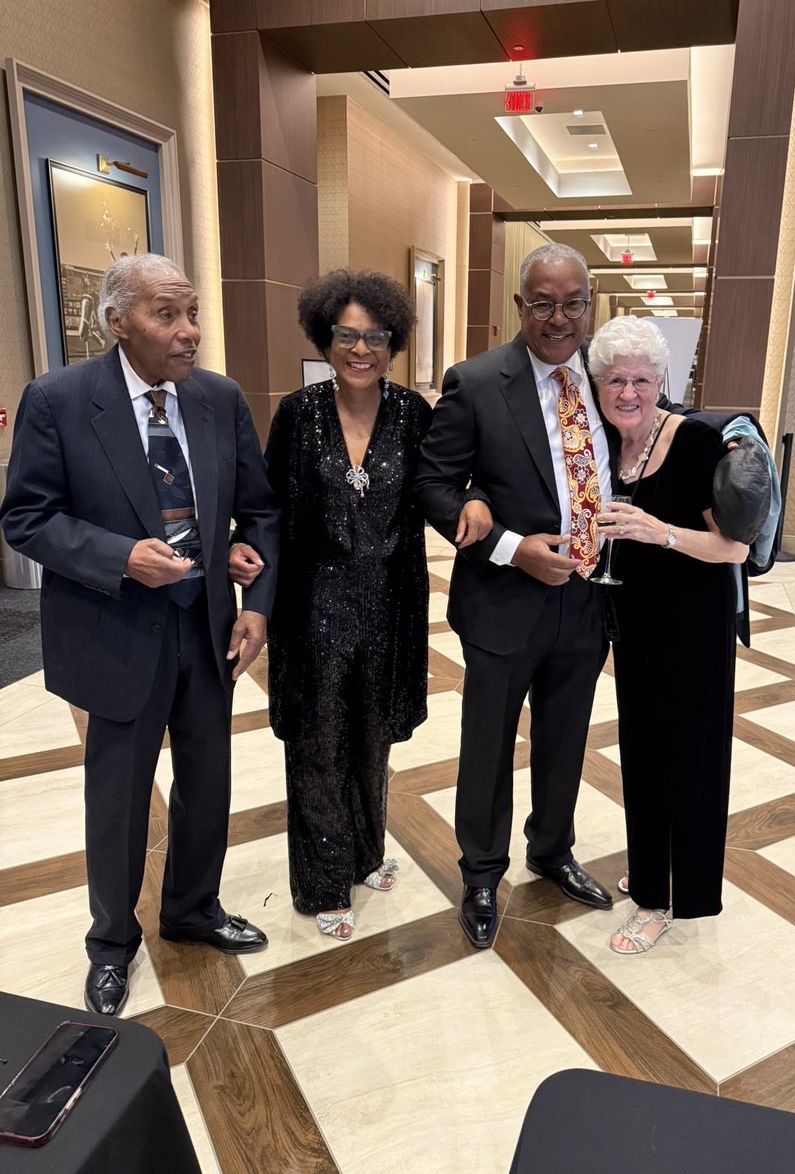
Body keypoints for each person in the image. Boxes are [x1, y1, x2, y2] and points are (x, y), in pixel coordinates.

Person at [0, 254, 279, 1014]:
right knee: (118, 793)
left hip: (206, 626)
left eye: (192, 314)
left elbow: (259, 511)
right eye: (168, 315)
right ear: (117, 322)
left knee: (208, 780)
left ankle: (192, 909)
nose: (189, 332)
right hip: (113, 627)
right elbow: (24, 517)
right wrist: (120, 556)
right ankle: (112, 942)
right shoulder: (58, 400)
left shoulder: (217, 399)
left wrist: (255, 602)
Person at [264, 269, 491, 942]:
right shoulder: (296, 414)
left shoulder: (412, 414)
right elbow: (268, 511)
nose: (360, 350)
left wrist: (472, 498)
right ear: (324, 337)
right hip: (311, 610)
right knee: (317, 742)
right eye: (346, 336)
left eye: (375, 337)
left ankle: (364, 854)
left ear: (393, 342)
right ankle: (322, 882)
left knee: (370, 737)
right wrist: (247, 568)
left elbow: (441, 487)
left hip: (391, 604)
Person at [416, 242, 619, 949]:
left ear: (589, 303)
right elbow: (434, 485)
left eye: (572, 303)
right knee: (488, 741)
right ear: (519, 306)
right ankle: (480, 871)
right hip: (505, 599)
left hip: (590, 597)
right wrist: (511, 547)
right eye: (543, 303)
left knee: (566, 737)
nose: (558, 318)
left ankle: (552, 849)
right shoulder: (476, 383)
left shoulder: (609, 380)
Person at [588, 316, 748, 953]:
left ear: (663, 382)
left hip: (694, 630)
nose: (629, 392)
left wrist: (662, 533)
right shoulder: (605, 442)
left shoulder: (696, 441)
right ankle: (653, 868)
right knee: (643, 753)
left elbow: (733, 549)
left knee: (690, 759)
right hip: (637, 626)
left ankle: (665, 900)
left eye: (642, 380)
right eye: (616, 380)